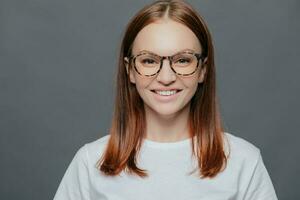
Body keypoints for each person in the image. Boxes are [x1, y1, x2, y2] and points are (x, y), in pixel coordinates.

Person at [53, 0, 278, 199]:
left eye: (182, 60)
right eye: (149, 61)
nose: (166, 77)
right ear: (130, 70)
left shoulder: (244, 162)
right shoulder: (90, 163)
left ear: (203, 70)